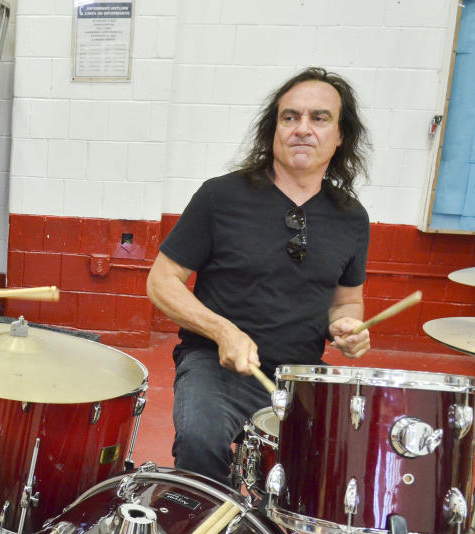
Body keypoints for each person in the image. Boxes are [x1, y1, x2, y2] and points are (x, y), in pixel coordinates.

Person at [147, 67, 372, 488]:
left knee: (347, 471)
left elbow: (347, 301)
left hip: (299, 377)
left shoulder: (351, 218)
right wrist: (222, 330)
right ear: (274, 130)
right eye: (290, 117)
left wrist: (347, 326)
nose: (302, 129)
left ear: (341, 136)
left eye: (319, 118)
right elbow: (161, 281)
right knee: (201, 439)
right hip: (216, 366)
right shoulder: (220, 197)